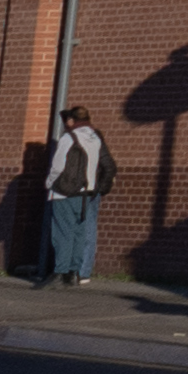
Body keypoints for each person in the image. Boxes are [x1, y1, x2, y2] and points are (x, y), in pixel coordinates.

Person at [43, 105, 115, 288]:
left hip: (65, 191)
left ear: (70, 120)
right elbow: (104, 164)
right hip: (87, 192)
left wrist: (50, 183)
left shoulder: (69, 137)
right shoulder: (95, 137)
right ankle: (74, 273)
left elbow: (58, 166)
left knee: (62, 233)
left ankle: (59, 272)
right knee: (79, 233)